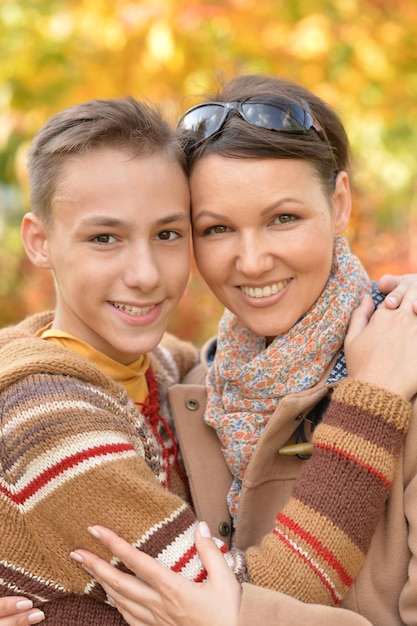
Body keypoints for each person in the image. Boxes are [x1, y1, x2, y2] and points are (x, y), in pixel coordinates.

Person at [0, 86, 416, 626]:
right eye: (217, 228)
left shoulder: (177, 374)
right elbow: (204, 601)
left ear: (339, 204)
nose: (252, 259)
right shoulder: (196, 394)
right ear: (38, 241)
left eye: (283, 217)